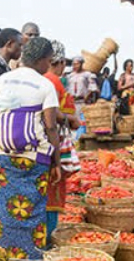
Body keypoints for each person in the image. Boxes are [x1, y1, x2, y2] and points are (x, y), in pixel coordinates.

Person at [0, 37, 60, 261]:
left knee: (5, 213)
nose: (49, 66)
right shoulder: (44, 84)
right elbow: (50, 126)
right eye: (49, 61)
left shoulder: (3, 79)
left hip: (2, 156)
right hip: (33, 158)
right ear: (41, 60)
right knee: (36, 211)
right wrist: (56, 161)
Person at [45, 41, 81, 238]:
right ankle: (48, 238)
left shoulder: (42, 78)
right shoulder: (54, 81)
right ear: (58, 62)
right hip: (53, 143)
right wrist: (72, 119)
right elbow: (55, 115)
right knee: (52, 192)